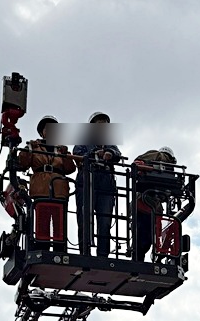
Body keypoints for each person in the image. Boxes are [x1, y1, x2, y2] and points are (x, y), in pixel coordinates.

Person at [72, 112, 122, 257]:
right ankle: (84, 253)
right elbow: (77, 155)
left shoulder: (110, 143)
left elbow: (117, 153)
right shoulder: (83, 141)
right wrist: (95, 153)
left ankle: (103, 254)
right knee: (84, 219)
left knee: (105, 221)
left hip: (106, 184)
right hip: (86, 181)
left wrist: (110, 153)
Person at [16, 115, 75, 202]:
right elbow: (22, 164)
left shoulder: (61, 150)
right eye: (47, 128)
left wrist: (66, 155)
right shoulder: (34, 147)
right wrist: (28, 150)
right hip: (40, 190)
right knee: (42, 214)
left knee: (59, 215)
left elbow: (70, 169)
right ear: (42, 132)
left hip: (59, 191)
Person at [132, 146, 176, 261]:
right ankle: (139, 259)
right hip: (145, 204)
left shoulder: (169, 171)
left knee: (145, 239)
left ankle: (139, 259)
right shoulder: (157, 155)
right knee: (144, 239)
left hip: (150, 207)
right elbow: (137, 163)